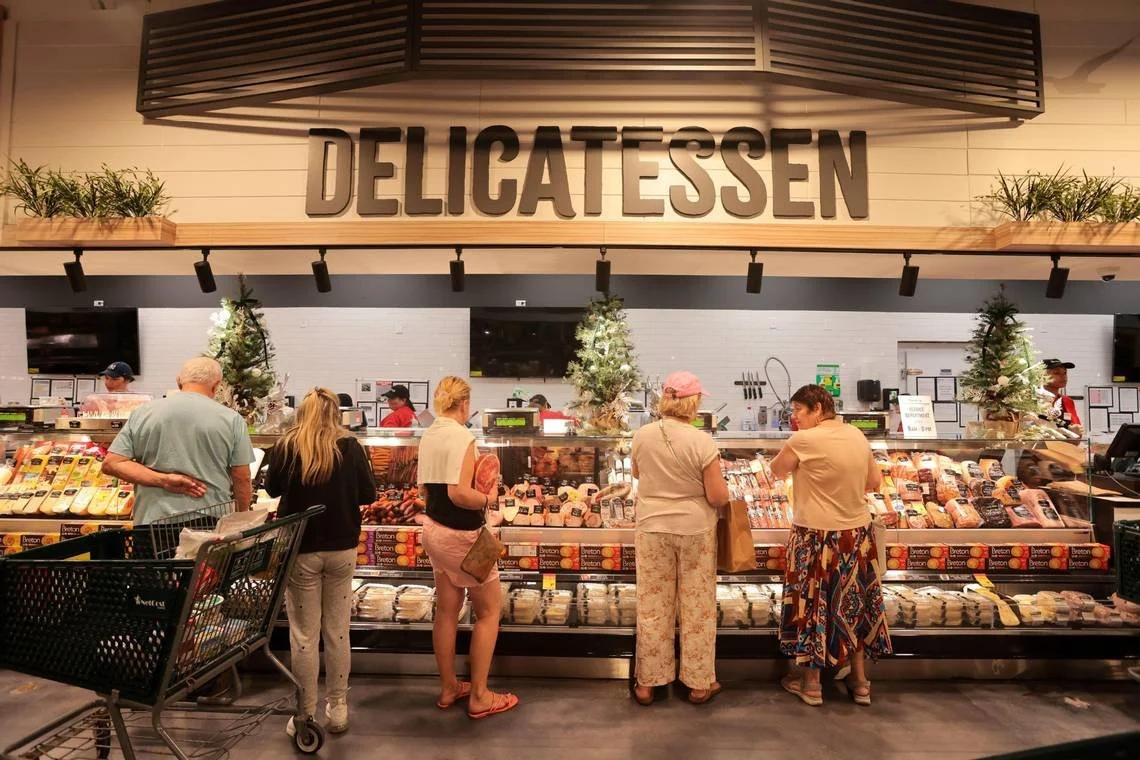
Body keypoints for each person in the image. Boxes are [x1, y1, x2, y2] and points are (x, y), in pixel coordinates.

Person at [770, 384, 891, 707]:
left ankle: (811, 685)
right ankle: (860, 682)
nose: (794, 418)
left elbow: (776, 471)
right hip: (856, 536)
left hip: (815, 536)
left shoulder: (804, 440)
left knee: (812, 605)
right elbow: (874, 483)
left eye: (798, 411)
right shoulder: (856, 436)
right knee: (856, 604)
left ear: (818, 410)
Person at [265, 388, 376, 736]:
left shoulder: (286, 445)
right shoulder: (350, 446)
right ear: (336, 413)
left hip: (301, 550)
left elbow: (270, 490)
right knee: (337, 631)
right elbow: (368, 494)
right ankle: (339, 708)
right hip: (342, 548)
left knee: (303, 635)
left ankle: (305, 711)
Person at [417, 376, 518, 719]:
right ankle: (479, 695)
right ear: (464, 403)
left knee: (447, 611)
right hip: (465, 537)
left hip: (434, 531)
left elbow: (427, 494)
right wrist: (489, 498)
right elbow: (460, 494)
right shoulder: (463, 436)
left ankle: (448, 687)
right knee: (489, 613)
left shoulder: (429, 433)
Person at [630, 371, 729, 706]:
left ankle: (648, 683)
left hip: (652, 528)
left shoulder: (642, 435)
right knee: (697, 607)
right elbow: (717, 496)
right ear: (693, 402)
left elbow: (637, 474)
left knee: (653, 604)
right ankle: (699, 683)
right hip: (695, 530)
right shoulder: (702, 441)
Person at [102, 357, 254, 524]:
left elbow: (112, 463)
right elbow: (242, 478)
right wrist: (241, 516)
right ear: (217, 385)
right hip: (209, 520)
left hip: (152, 522)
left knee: (153, 552)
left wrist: (163, 480)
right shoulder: (231, 419)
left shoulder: (143, 413)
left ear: (178, 381)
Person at [1043, 359, 1085, 435]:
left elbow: (1077, 431)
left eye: (1065, 373)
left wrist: (1076, 431)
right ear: (1042, 376)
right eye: (1057, 373)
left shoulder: (1067, 401)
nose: (1063, 376)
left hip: (1066, 446)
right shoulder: (1032, 400)